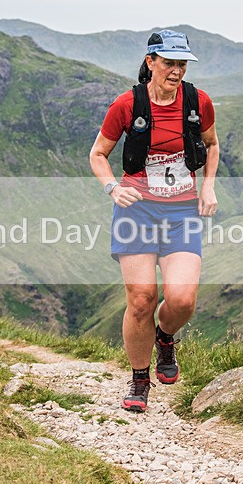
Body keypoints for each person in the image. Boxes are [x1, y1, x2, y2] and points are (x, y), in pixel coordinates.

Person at [89, 29, 219, 412]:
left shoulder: (198, 102)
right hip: (137, 211)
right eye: (169, 63)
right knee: (142, 299)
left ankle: (165, 336)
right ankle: (139, 378)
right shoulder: (127, 104)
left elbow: (211, 145)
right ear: (151, 62)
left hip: (182, 212)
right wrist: (113, 188)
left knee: (182, 300)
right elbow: (98, 154)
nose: (176, 71)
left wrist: (208, 186)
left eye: (182, 64)